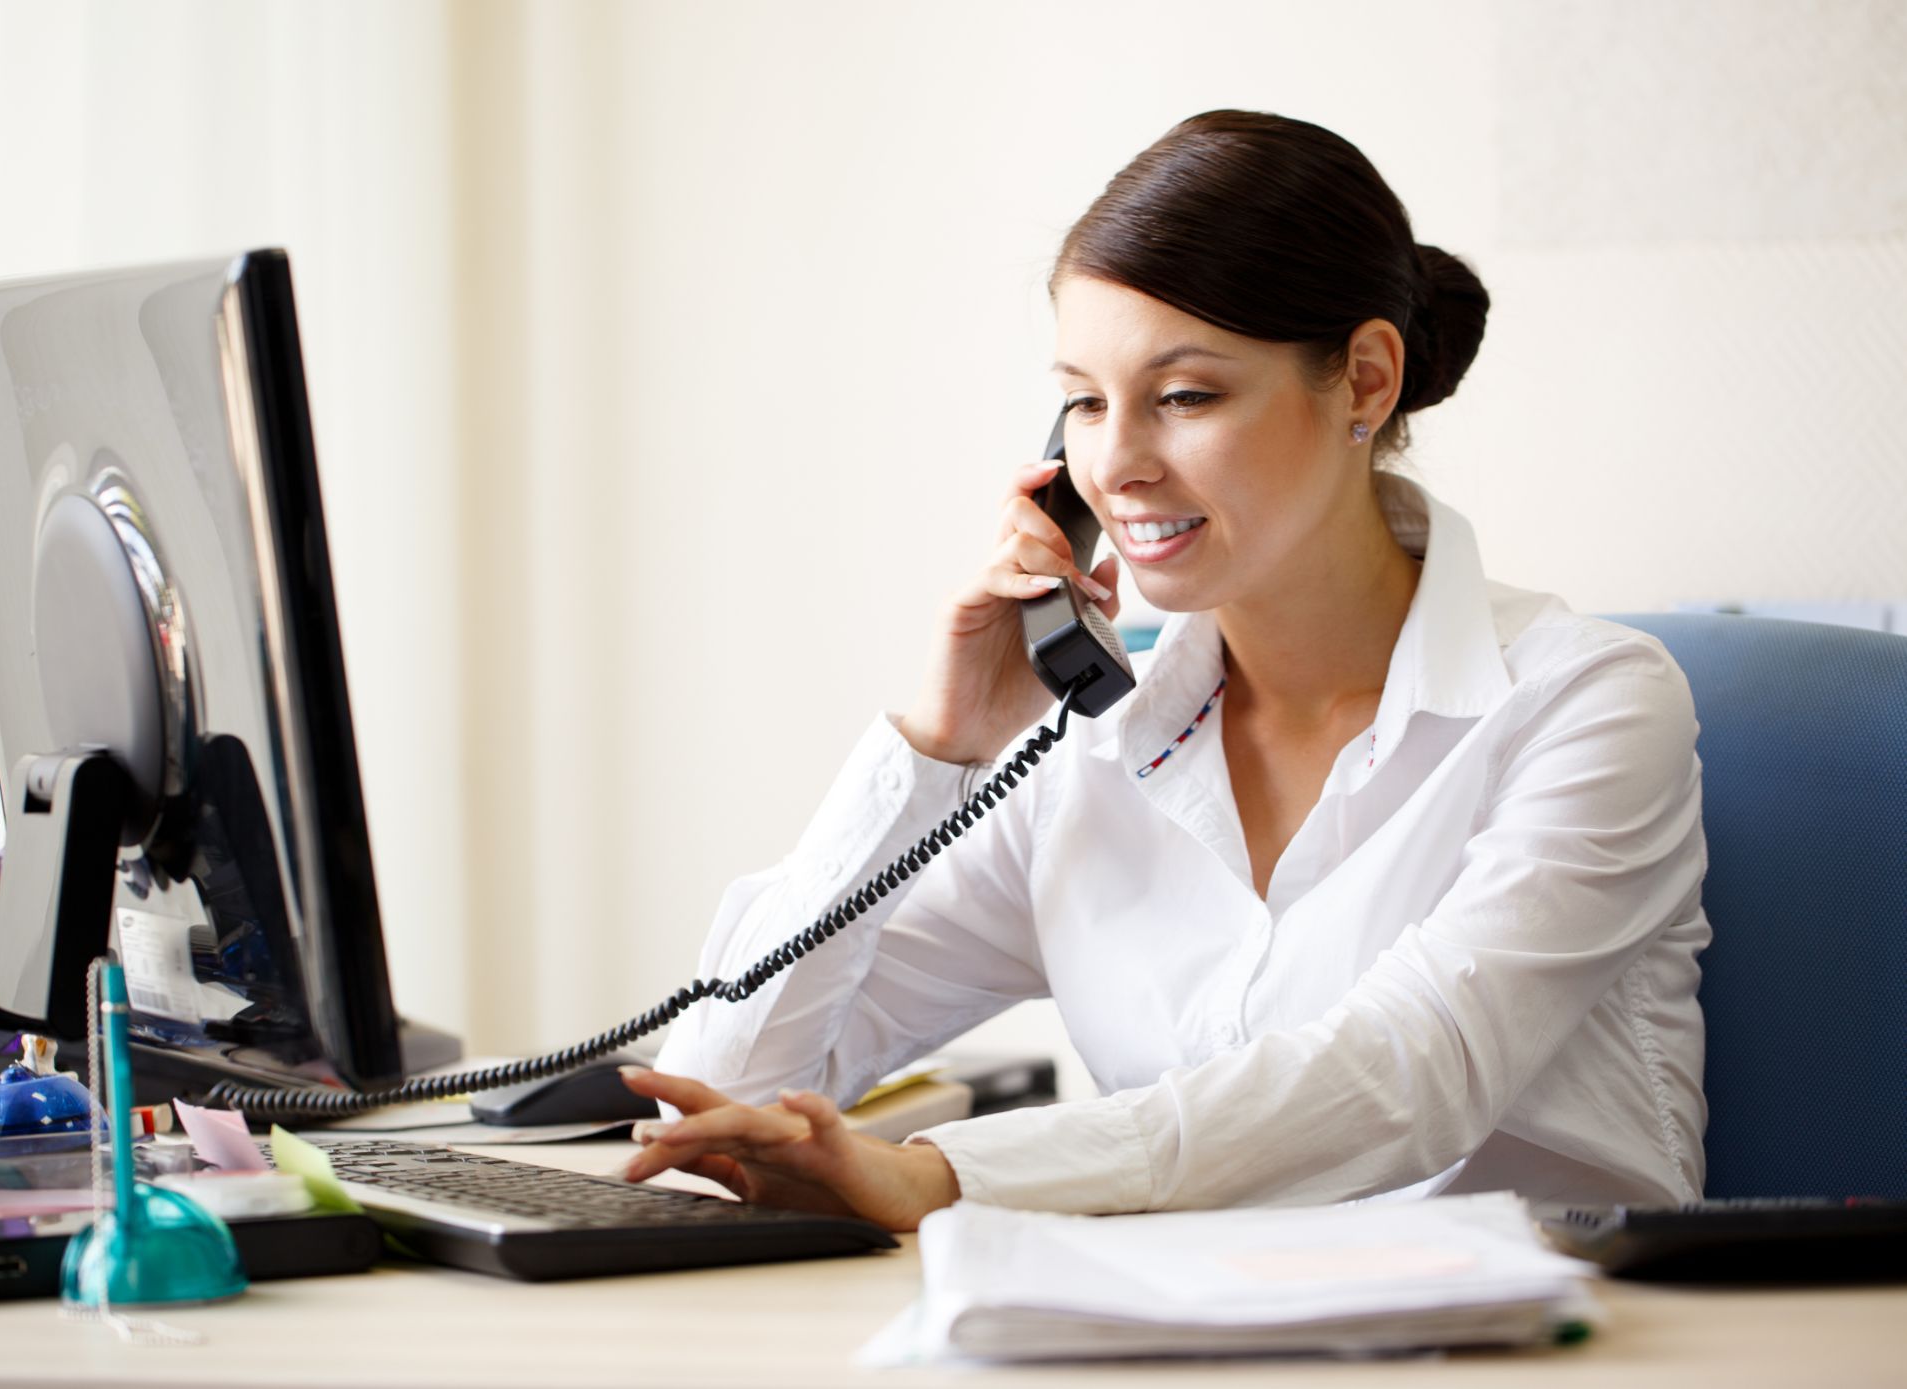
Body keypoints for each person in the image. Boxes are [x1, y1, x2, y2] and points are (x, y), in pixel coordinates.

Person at [620, 109, 1709, 1230]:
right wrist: (936, 750)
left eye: (1183, 396)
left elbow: (1407, 1078)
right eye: (1085, 401)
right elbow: (722, 1089)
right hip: (1184, 1334)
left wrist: (944, 1174)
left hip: (1547, 1341)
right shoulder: (1083, 741)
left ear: (1366, 381)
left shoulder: (1585, 705)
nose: (1115, 465)